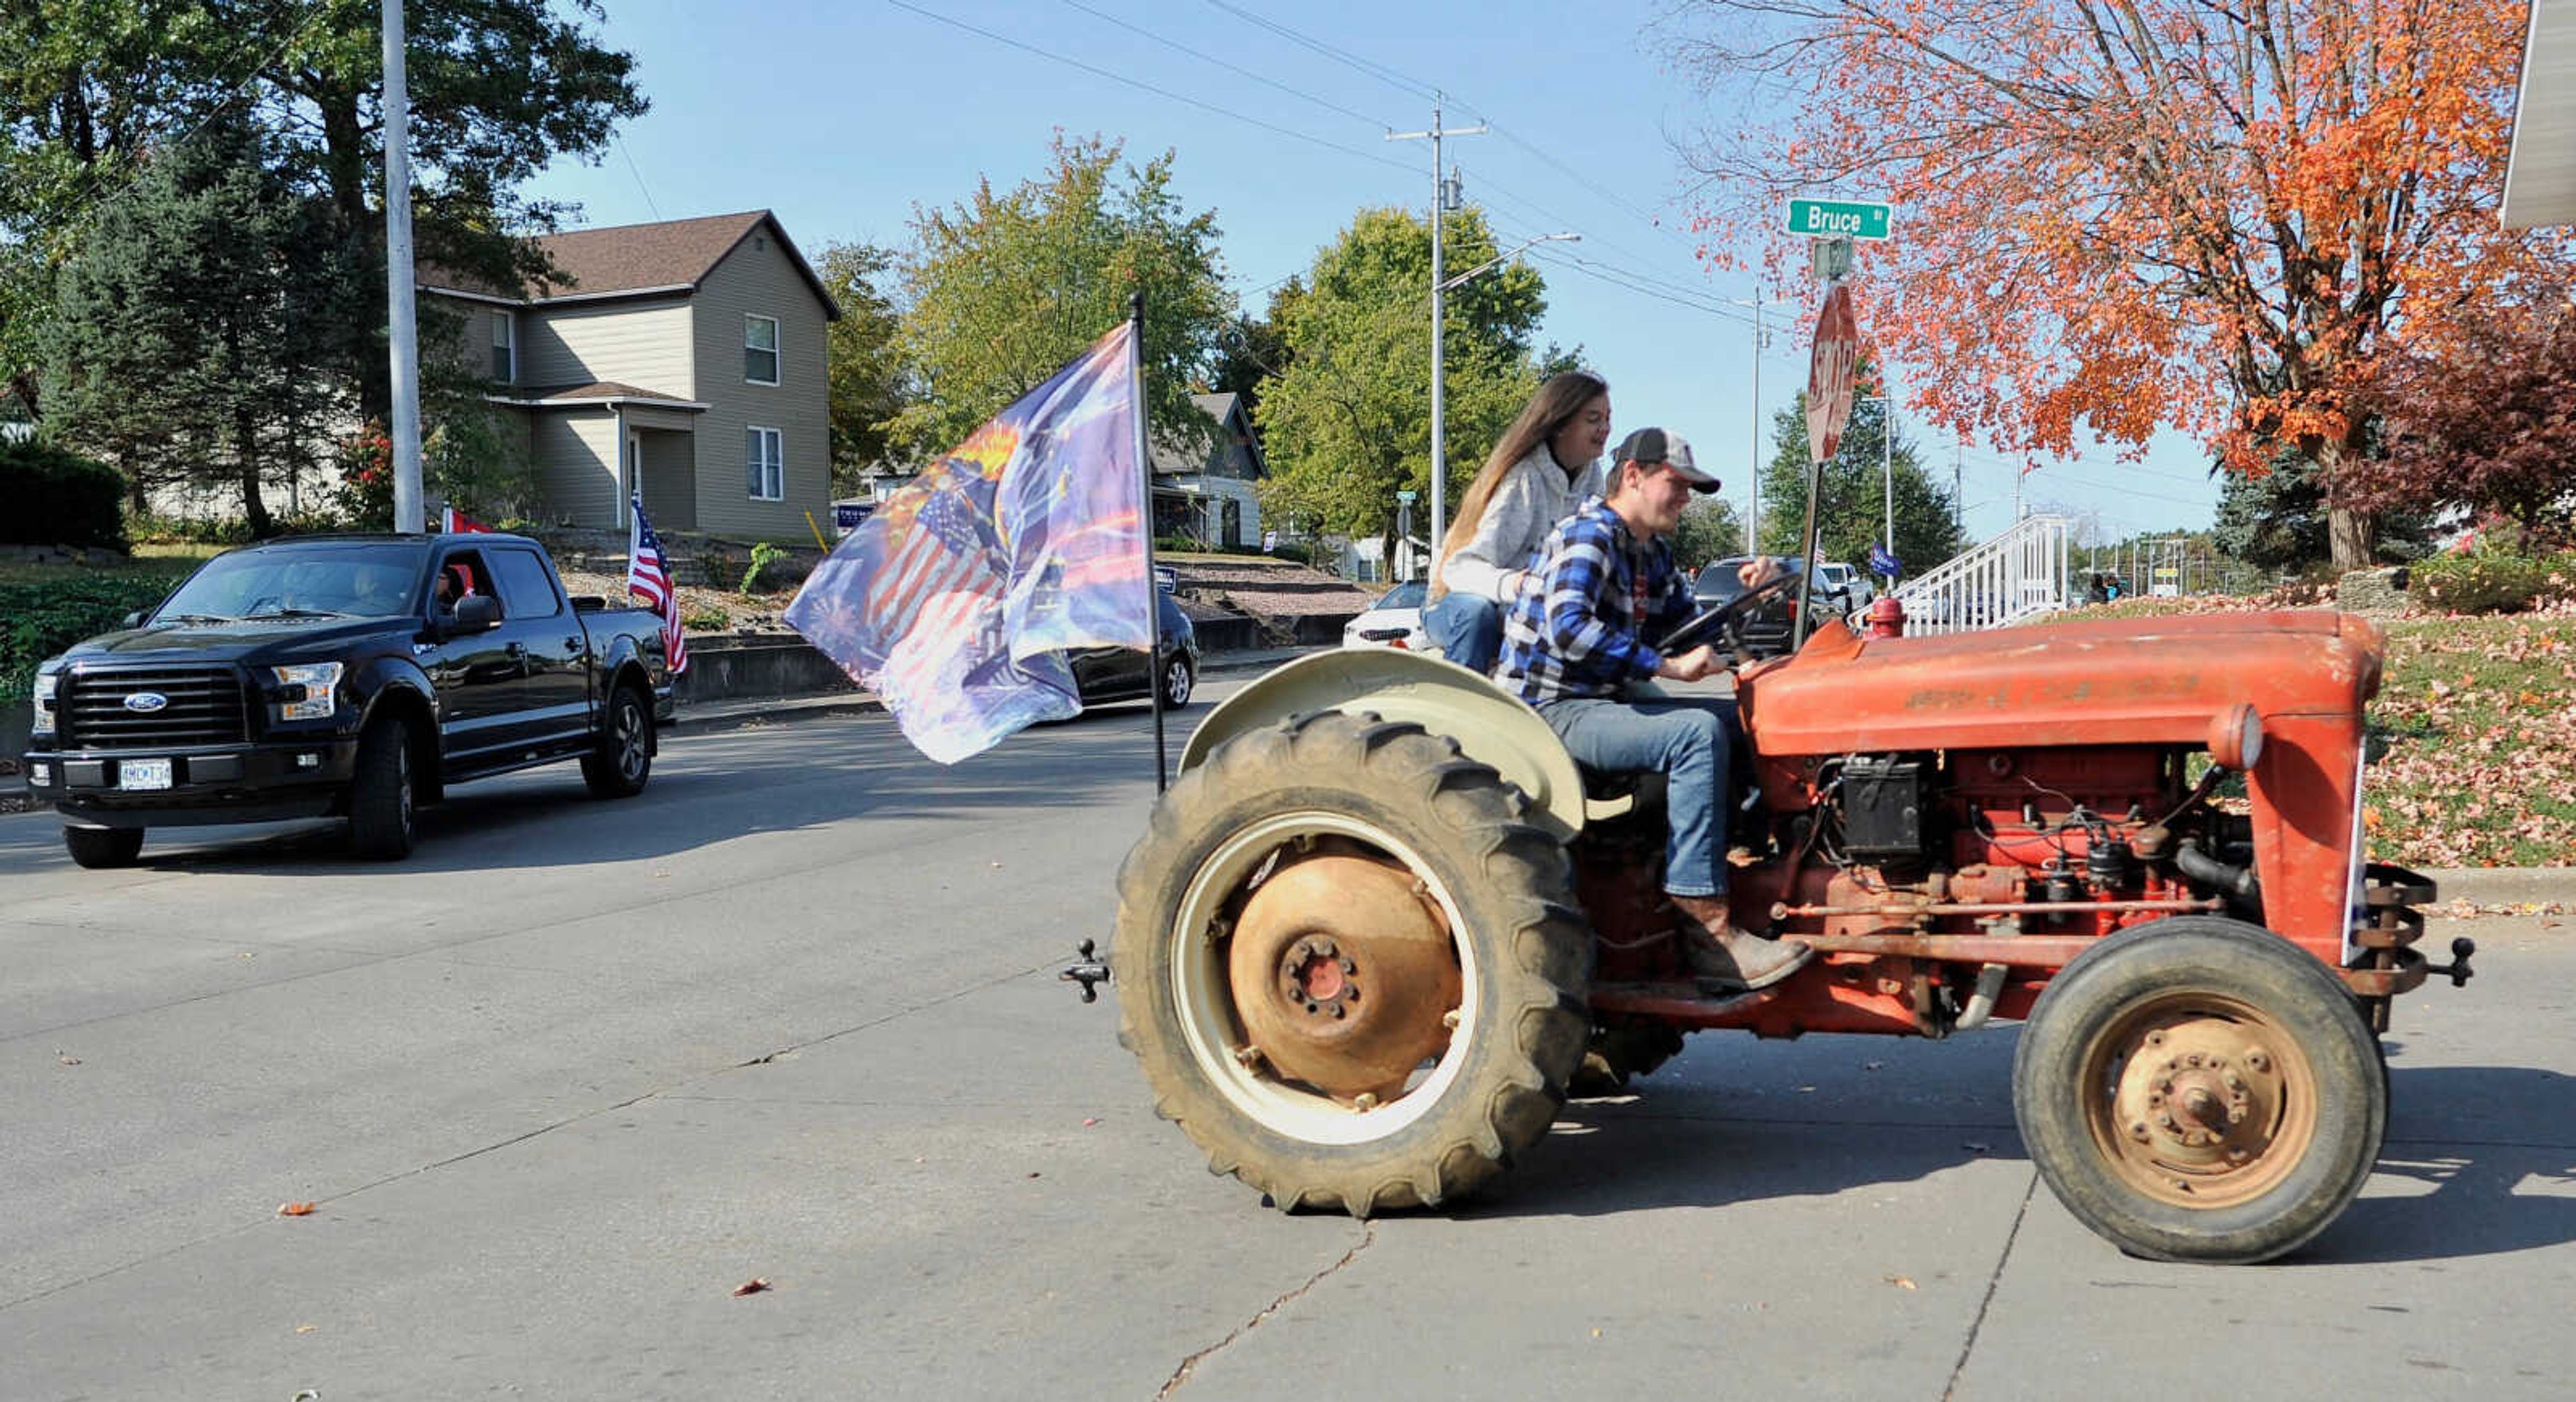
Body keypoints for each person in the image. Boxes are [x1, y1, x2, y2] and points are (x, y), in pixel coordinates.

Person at [1493, 427, 1814, 992]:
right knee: (1693, 734)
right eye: (1678, 485)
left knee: (1740, 723)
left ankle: (1752, 867)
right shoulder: (1588, 536)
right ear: (1634, 476)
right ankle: (1707, 929)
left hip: (1602, 701)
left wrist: (1759, 595)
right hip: (1551, 708)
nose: (1687, 499)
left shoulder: (1650, 552)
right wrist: (1664, 669)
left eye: (1692, 489)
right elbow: (1568, 629)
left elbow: (1686, 626)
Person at [1423, 370, 1613, 673]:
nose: (1605, 428)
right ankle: (1464, 706)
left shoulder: (1592, 481)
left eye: (1608, 418)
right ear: (1561, 424)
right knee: (1477, 612)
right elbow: (1458, 569)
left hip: (1527, 610)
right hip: (1456, 605)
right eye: (1593, 419)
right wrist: (1517, 583)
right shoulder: (1521, 480)